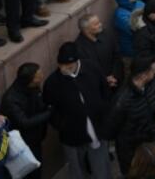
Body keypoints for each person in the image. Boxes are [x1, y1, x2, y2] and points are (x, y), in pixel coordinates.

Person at [42, 42, 113, 179]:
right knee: (76, 169)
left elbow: (105, 90)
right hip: (72, 135)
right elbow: (50, 108)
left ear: (76, 62)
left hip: (97, 127)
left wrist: (104, 111)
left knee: (101, 167)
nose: (64, 69)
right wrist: (62, 125)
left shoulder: (92, 68)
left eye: (68, 66)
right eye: (61, 65)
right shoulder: (52, 82)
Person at [1, 63, 50, 179]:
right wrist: (49, 113)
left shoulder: (34, 87)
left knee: (37, 171)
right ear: (30, 80)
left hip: (35, 139)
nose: (42, 76)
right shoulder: (11, 99)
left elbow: (40, 104)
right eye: (38, 76)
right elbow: (24, 122)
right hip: (22, 145)